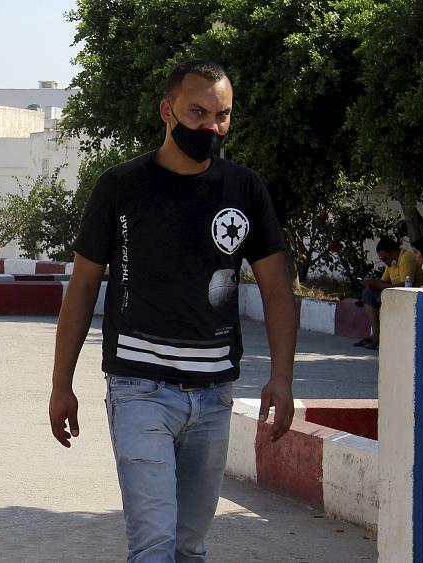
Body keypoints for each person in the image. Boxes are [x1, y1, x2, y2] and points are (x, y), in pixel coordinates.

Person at [48, 60, 298, 562]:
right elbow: (82, 287)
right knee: (154, 545)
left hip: (214, 395)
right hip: (139, 389)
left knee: (188, 547)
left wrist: (282, 377)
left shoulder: (244, 189)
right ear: (167, 111)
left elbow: (276, 288)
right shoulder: (120, 186)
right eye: (197, 113)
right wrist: (61, 384)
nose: (211, 127)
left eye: (222, 115)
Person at [356, 238, 423, 349]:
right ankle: (376, 336)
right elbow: (384, 281)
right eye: (381, 259)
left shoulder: (406, 258)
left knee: (370, 293)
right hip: (396, 295)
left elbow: (405, 286)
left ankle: (378, 338)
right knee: (368, 293)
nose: (384, 261)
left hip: (410, 297)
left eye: (384, 258)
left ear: (393, 252)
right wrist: (371, 282)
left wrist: (378, 285)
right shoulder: (391, 263)